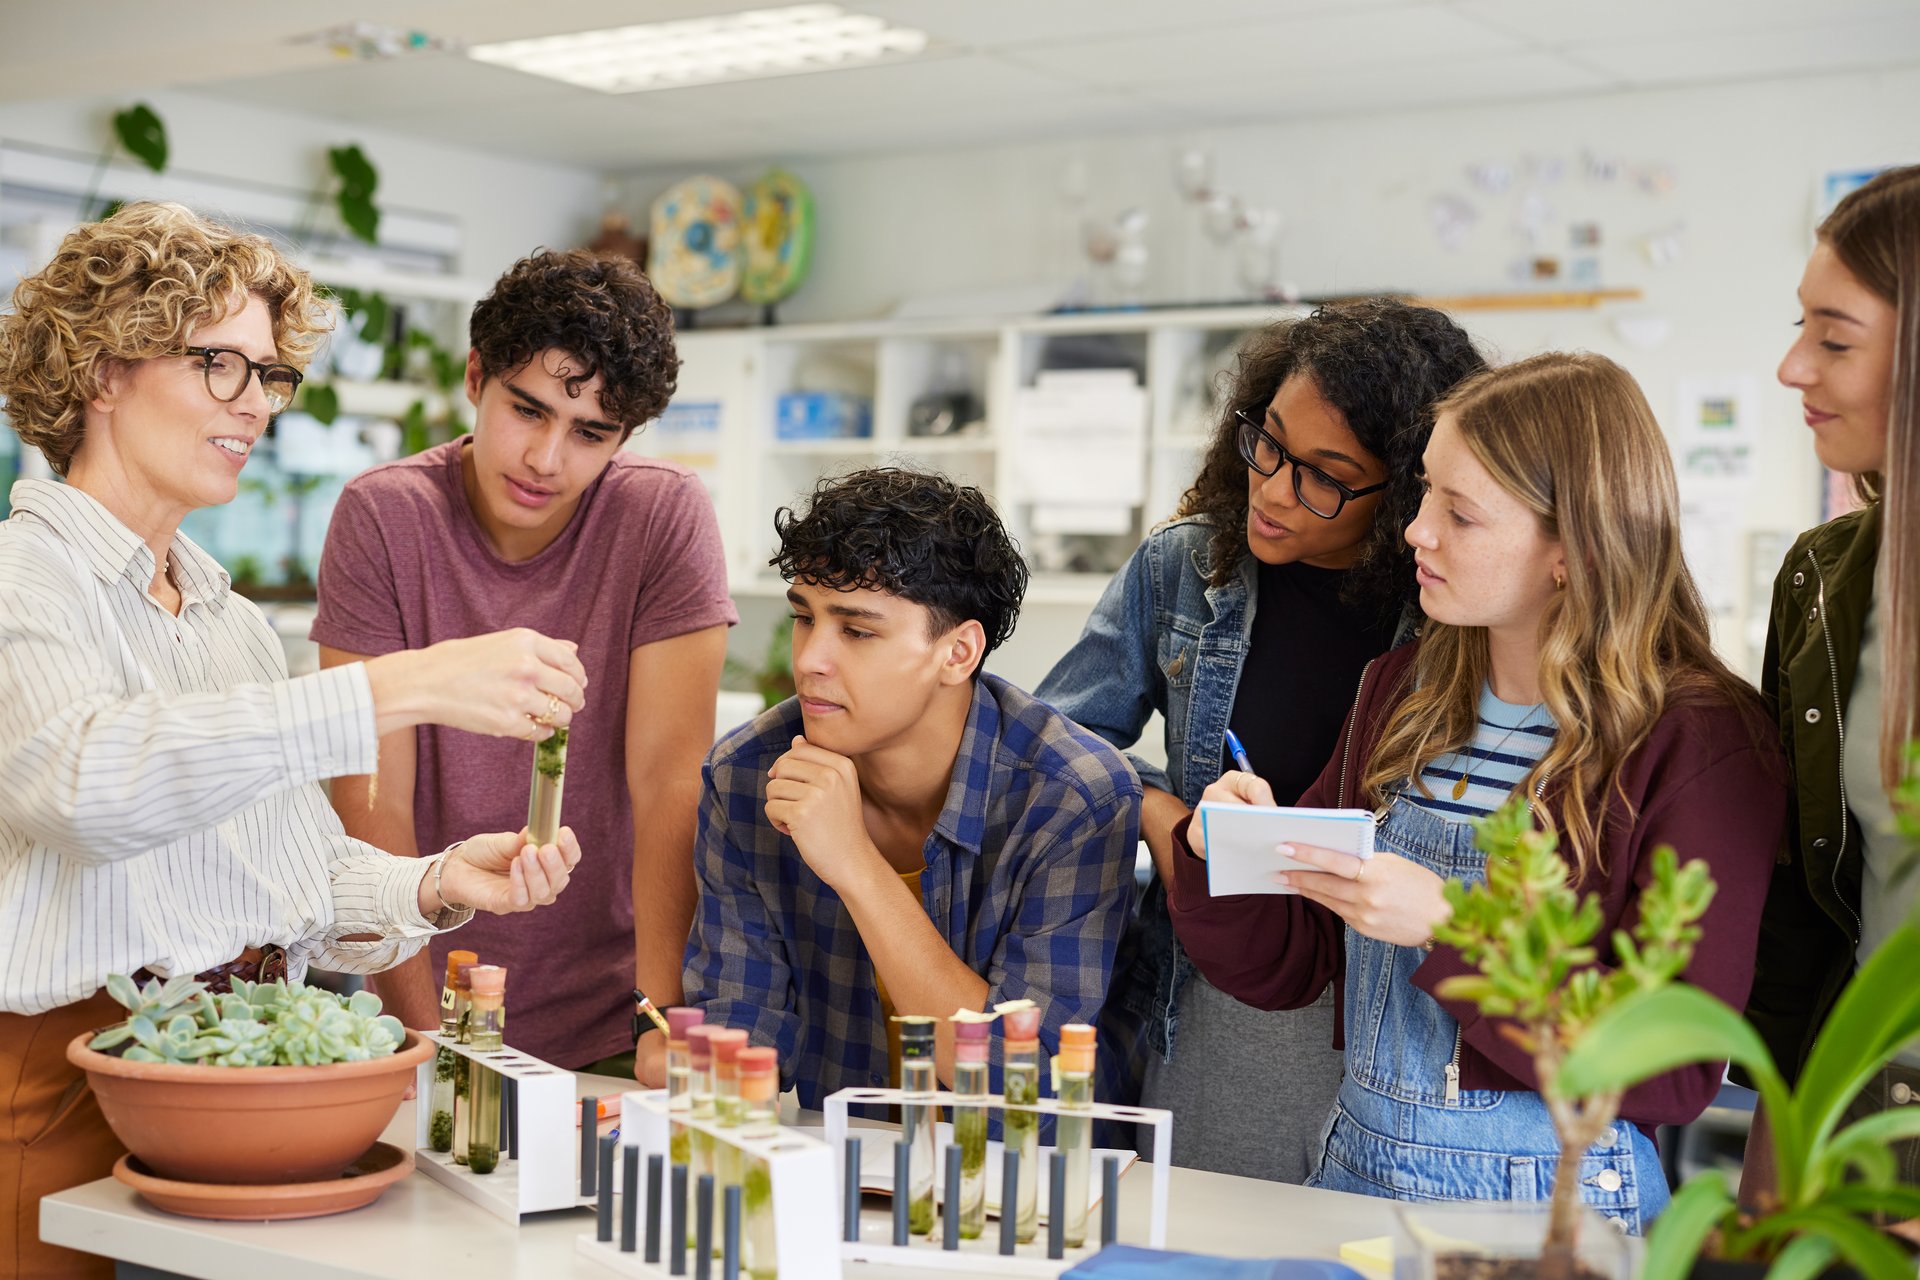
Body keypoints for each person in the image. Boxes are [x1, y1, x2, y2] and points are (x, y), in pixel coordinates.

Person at [0, 202, 586, 1279]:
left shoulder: (224, 617)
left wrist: (439, 880)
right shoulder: (22, 575)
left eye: (269, 375)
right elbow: (84, 782)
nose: (256, 404)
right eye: (220, 363)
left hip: (237, 1080)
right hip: (63, 1091)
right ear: (102, 368)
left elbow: (295, 878)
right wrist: (392, 689)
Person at [1168, 352, 1786, 1233]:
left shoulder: (1700, 739)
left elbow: (1674, 1070)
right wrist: (1220, 846)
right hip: (1354, 1166)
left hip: (1559, 1202)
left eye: (1459, 514)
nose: (1416, 531)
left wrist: (1453, 928)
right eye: (1425, 494)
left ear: (1572, 551)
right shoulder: (1401, 690)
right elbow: (1291, 961)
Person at [1035, 299, 1485, 1178]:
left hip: (1393, 1002)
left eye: (1325, 475)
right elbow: (1061, 737)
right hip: (1218, 992)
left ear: (1406, 494)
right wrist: (1167, 826)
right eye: (1267, 441)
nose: (1274, 489)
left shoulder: (1451, 610)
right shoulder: (1187, 567)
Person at [311, 248, 735, 1077]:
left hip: (616, 1013)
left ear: (627, 436)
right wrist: (429, 1040)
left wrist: (661, 1019)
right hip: (425, 1002)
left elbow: (669, 784)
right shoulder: (385, 515)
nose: (547, 458)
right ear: (476, 376)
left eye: (590, 433)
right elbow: (371, 796)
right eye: (528, 409)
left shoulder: (662, 516)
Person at [665, 468, 1141, 1104]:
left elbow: (1027, 1092)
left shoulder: (1074, 797)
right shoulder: (749, 773)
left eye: (857, 631)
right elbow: (737, 1049)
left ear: (957, 653)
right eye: (805, 618)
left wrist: (856, 865)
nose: (808, 659)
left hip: (1024, 1188)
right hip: (843, 1170)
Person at [1744, 164, 1920, 1191]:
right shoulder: (1826, 575)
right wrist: (1776, 1149)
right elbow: (1803, 914)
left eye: (1835, 338)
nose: (1791, 366)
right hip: (1860, 1112)